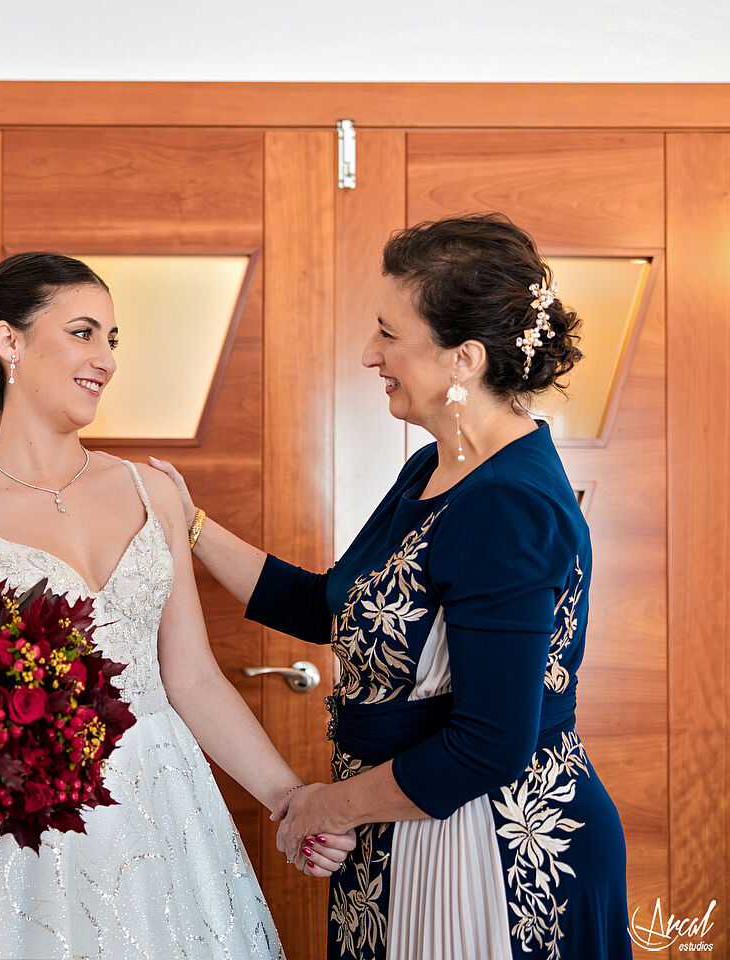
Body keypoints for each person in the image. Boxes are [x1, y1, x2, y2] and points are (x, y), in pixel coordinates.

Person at [152, 214, 632, 960]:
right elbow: (329, 606)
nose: (370, 354)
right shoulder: (438, 466)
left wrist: (321, 807)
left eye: (389, 334)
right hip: (405, 827)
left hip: (488, 850)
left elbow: (489, 745)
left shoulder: (508, 502)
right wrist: (191, 524)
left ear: (464, 358)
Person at [0, 252, 352, 960]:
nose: (106, 359)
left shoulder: (152, 492)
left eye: (113, 340)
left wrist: (290, 799)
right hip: (24, 841)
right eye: (85, 333)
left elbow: (190, 678)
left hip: (166, 811)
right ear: (11, 342)